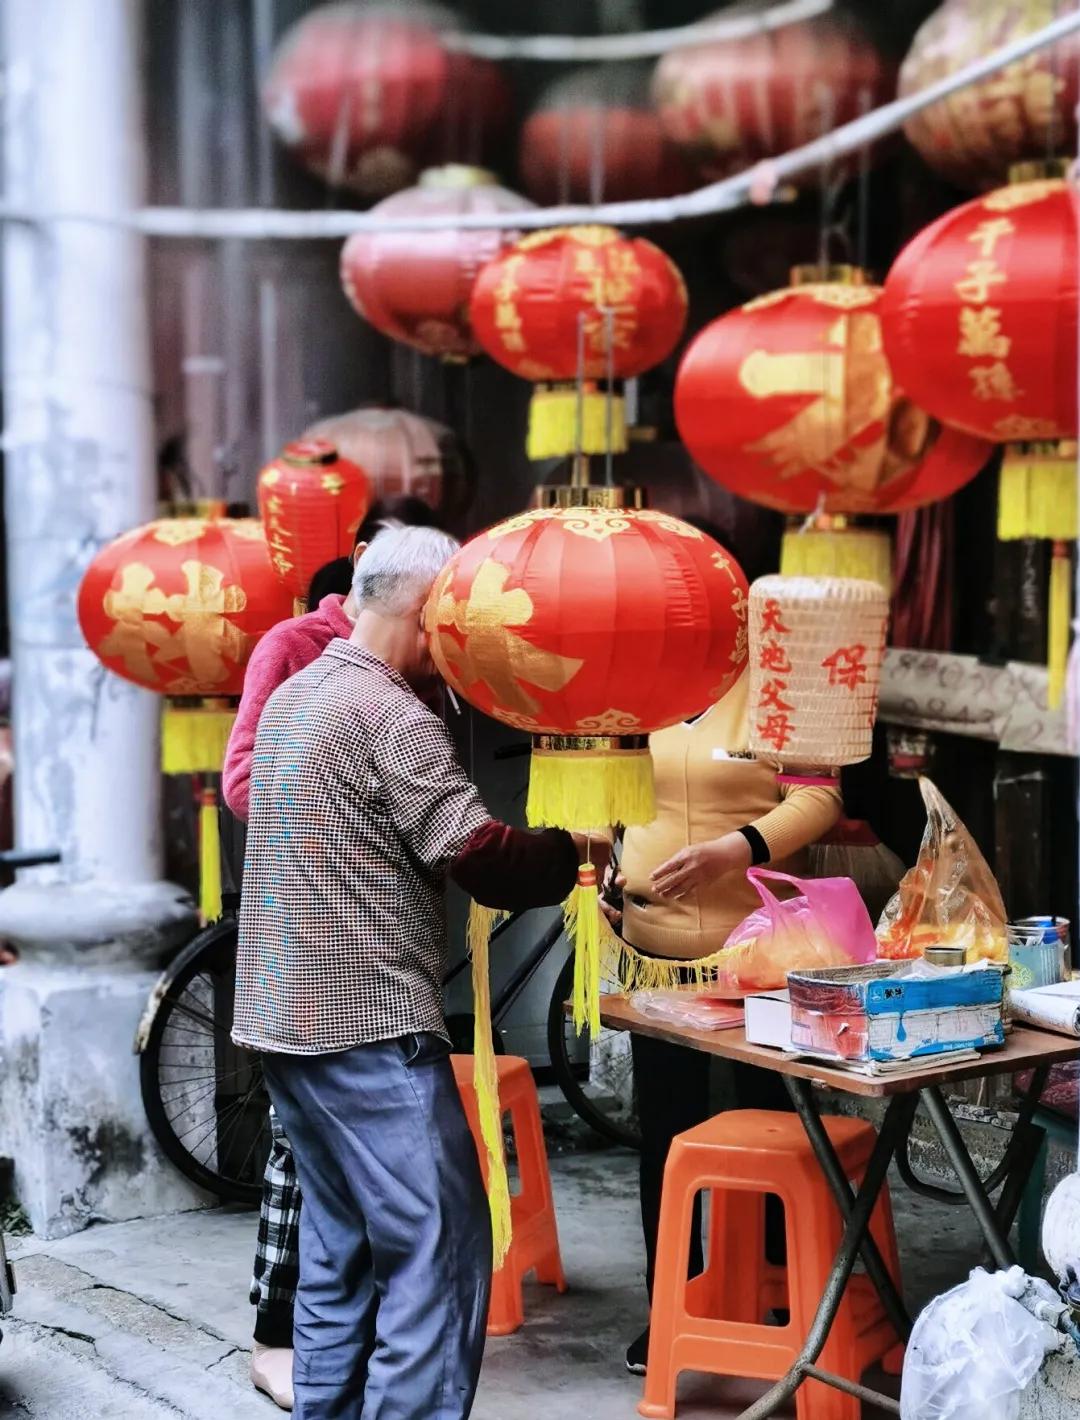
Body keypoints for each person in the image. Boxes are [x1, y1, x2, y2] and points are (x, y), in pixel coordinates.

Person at [233, 526, 581, 1420]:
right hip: (366, 1027)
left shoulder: (298, 695)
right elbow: (478, 853)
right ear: (431, 616)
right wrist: (575, 852)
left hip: (281, 1020)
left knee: (340, 1247)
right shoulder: (389, 713)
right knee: (438, 1243)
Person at [222, 495, 438, 1409]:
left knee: (342, 1233)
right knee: (428, 1233)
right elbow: (243, 782)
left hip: (336, 976)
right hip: (329, 980)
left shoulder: (402, 682)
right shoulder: (303, 658)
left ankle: (327, 1395)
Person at [603, 651, 841, 1375]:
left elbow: (820, 796)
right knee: (667, 1136)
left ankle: (777, 1293)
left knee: (770, 1125)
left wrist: (736, 850)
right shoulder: (643, 683)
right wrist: (605, 868)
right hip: (656, 958)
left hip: (760, 959)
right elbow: (610, 795)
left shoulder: (776, 683)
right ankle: (668, 1306)